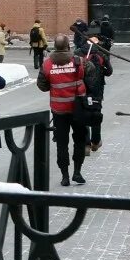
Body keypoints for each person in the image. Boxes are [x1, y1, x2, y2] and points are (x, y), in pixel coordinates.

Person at [39, 33, 89, 186]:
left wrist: (52, 85)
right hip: (78, 108)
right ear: (68, 46)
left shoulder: (47, 64)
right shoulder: (79, 61)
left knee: (61, 143)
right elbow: (90, 75)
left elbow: (42, 85)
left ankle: (65, 176)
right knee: (79, 141)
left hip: (59, 110)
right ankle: (77, 172)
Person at [78, 36, 112, 153]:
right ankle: (96, 141)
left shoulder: (79, 52)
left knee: (83, 115)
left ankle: (85, 144)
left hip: (82, 89)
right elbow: (109, 72)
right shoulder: (101, 54)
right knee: (96, 114)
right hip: (97, 90)